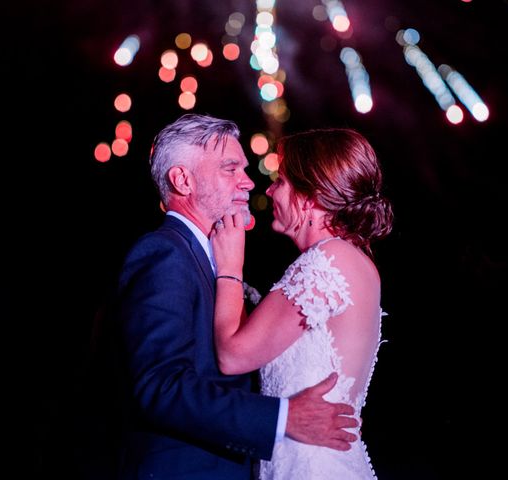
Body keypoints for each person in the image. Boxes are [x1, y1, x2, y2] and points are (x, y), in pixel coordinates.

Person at [115, 114, 359, 480]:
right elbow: (160, 386)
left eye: (244, 169)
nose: (248, 182)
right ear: (182, 180)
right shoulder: (164, 253)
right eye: (231, 169)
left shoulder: (213, 255)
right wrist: (282, 417)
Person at [211, 127, 394, 479]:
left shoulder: (328, 261)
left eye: (280, 181)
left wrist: (230, 267)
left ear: (311, 196)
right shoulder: (349, 258)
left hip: (311, 465)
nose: (269, 190)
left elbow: (233, 356)